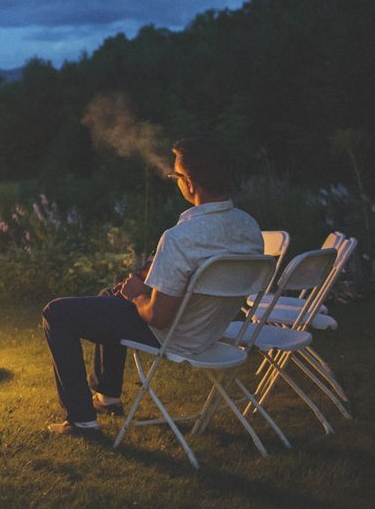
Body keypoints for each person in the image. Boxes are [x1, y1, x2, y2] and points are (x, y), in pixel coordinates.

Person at [41, 137, 263, 436]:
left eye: (176, 176)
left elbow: (158, 316)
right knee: (110, 295)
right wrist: (140, 286)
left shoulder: (181, 237)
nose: (176, 182)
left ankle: (82, 420)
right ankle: (108, 396)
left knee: (57, 313)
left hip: (173, 334)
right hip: (208, 329)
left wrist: (137, 297)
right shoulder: (249, 227)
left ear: (191, 183)